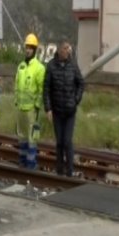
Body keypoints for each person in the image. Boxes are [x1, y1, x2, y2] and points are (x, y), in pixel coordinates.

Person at [43, 41, 84, 177]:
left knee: (67, 141)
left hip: (70, 110)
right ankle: (59, 170)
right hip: (57, 111)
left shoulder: (73, 66)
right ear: (60, 50)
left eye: (69, 48)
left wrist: (76, 100)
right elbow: (46, 89)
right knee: (59, 141)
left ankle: (70, 170)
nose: (68, 50)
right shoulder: (51, 66)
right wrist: (48, 108)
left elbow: (81, 83)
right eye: (66, 48)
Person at [14, 33, 45, 169]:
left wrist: (37, 106)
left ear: (35, 50)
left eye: (30, 48)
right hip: (20, 107)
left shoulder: (39, 68)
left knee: (32, 138)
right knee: (21, 136)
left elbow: (41, 89)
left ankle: (31, 164)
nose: (28, 50)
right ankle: (22, 161)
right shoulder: (21, 66)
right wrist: (16, 101)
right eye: (26, 47)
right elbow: (16, 85)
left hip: (32, 109)